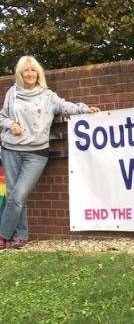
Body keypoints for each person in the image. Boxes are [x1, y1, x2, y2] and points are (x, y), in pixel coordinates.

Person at [0, 55, 100, 249]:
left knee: (18, 195)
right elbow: (2, 116)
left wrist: (85, 109)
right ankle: (21, 236)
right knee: (15, 195)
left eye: (33, 70)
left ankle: (3, 235)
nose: (29, 74)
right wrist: (11, 123)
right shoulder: (12, 93)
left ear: (38, 73)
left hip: (36, 153)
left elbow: (65, 105)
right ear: (20, 74)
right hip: (10, 149)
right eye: (25, 71)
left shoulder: (47, 96)